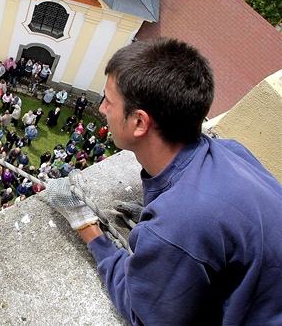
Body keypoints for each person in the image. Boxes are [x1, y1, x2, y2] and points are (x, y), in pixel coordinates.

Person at [66, 38, 282, 324]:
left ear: (139, 123)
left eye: (109, 100)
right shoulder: (230, 150)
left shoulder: (178, 224)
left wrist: (89, 230)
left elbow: (144, 315)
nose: (103, 108)